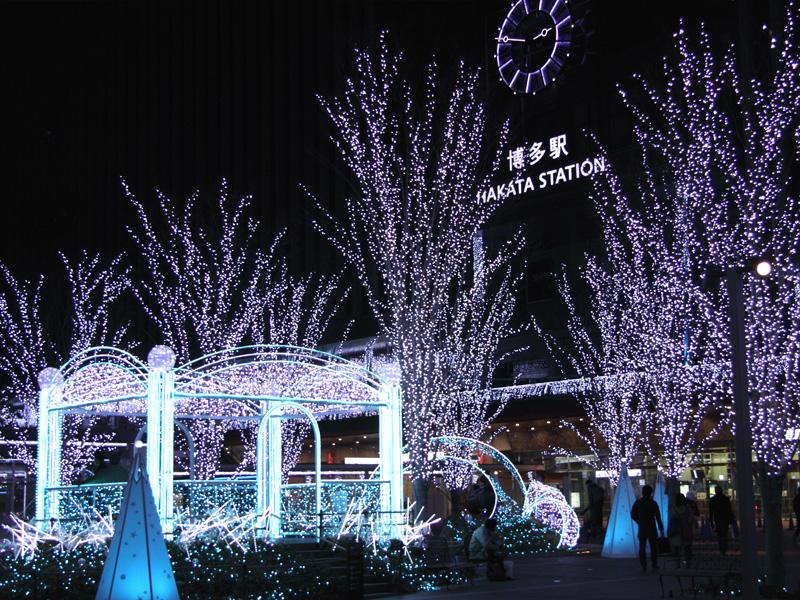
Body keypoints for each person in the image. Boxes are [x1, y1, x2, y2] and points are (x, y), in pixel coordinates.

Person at [631, 484, 664, 572]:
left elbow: (633, 514)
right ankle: (654, 563)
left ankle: (643, 564)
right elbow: (658, 517)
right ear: (650, 493)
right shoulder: (653, 503)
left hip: (642, 527)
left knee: (642, 546)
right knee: (653, 547)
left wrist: (639, 521)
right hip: (651, 527)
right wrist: (661, 529)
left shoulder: (638, 502)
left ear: (643, 492)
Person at [668, 493, 694, 566]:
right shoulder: (687, 508)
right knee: (687, 547)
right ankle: (687, 562)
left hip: (676, 530)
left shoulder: (673, 508)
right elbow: (691, 519)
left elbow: (671, 519)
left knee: (677, 548)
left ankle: (678, 563)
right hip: (686, 529)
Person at [708, 486, 735, 556]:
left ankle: (721, 548)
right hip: (725, 519)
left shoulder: (713, 500)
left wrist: (711, 521)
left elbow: (711, 512)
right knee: (724, 534)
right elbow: (729, 510)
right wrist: (731, 520)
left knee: (719, 535)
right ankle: (724, 548)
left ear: (715, 491)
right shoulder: (726, 499)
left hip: (717, 519)